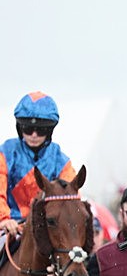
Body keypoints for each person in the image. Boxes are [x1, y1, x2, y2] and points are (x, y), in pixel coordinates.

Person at [0, 92, 76, 236]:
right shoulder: (5, 153)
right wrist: (3, 219)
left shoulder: (61, 161)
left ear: (49, 131)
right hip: (10, 226)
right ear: (19, 128)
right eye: (28, 129)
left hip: (48, 229)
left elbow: (70, 198)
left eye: (40, 130)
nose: (34, 135)